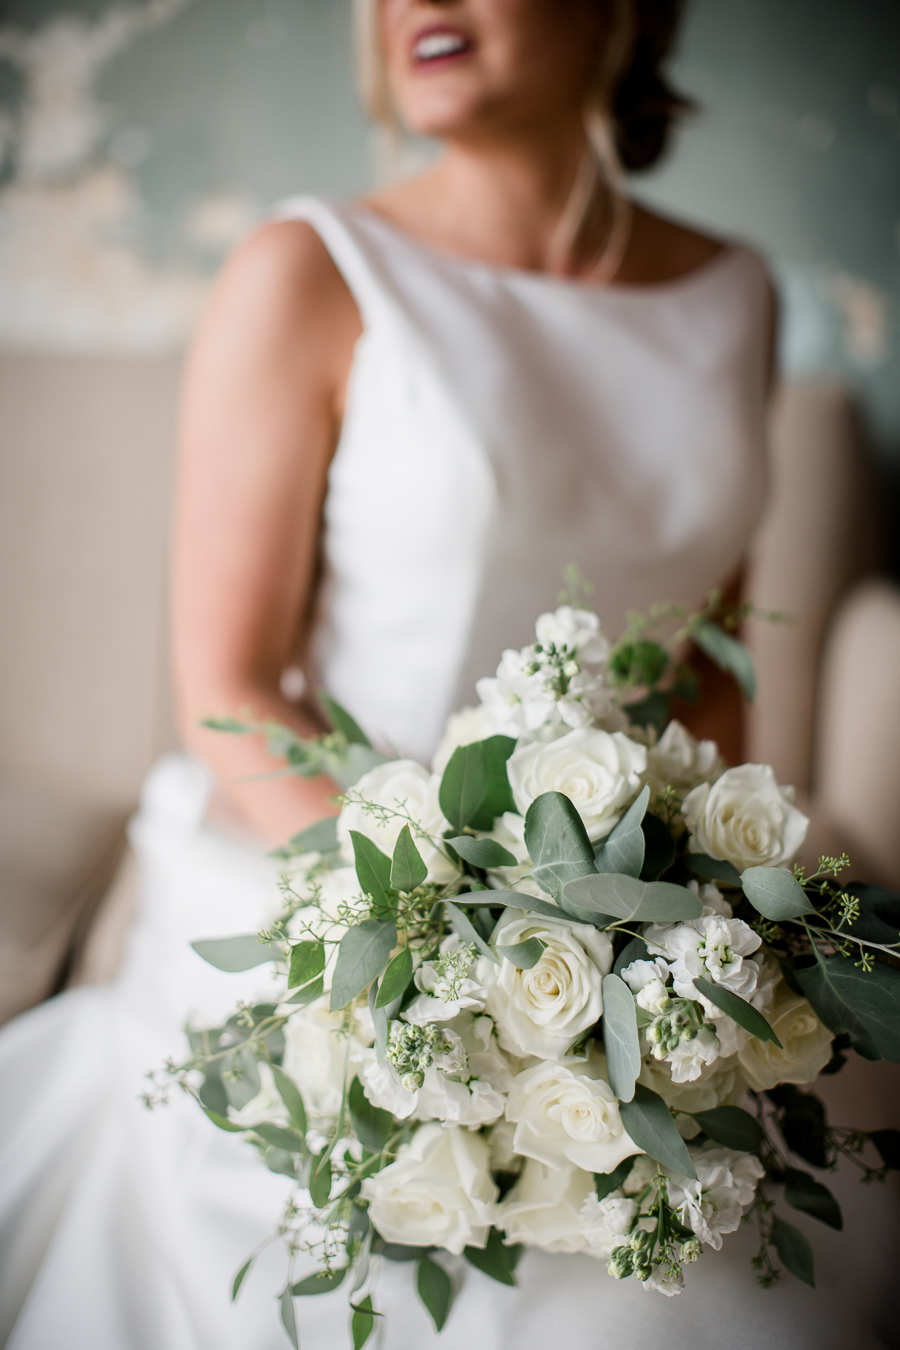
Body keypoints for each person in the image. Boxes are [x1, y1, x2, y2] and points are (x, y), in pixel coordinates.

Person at [0, 2, 895, 1347]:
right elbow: (231, 684)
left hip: (617, 912)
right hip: (325, 870)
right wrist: (449, 930)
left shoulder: (737, 296)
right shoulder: (306, 268)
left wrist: (687, 910)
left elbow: (704, 679)